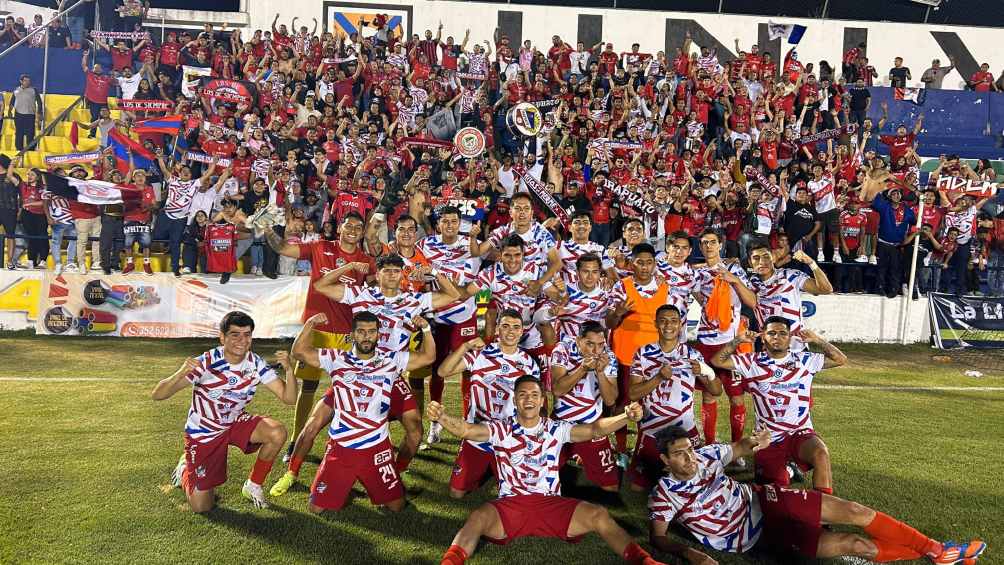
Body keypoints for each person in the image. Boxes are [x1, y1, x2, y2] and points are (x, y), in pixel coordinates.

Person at [266, 253, 460, 496]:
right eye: (385, 270)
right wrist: (347, 267)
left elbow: (454, 295)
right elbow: (321, 285)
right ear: (377, 275)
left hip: (391, 373)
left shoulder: (413, 300)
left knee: (415, 430)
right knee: (315, 422)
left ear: (402, 275)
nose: (390, 275)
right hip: (354, 372)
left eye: (395, 271)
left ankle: (395, 475)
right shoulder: (362, 294)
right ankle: (291, 473)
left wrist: (433, 273)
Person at [648, 425, 986, 564]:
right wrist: (691, 554)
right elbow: (658, 538)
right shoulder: (664, 496)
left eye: (690, 450)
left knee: (853, 510)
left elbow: (738, 448)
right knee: (858, 546)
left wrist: (755, 442)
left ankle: (938, 549)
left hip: (764, 500)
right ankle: (938, 555)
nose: (690, 457)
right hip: (753, 538)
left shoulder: (705, 455)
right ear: (665, 460)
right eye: (679, 454)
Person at [431, 377, 666, 565]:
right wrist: (442, 416)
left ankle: (644, 561)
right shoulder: (500, 429)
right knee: (478, 517)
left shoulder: (556, 429)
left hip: (551, 503)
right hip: (511, 504)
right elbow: (466, 430)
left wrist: (625, 416)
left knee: (599, 515)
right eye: (522, 395)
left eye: (534, 395)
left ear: (543, 400)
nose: (529, 399)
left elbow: (594, 429)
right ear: (514, 400)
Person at [289, 311, 435, 513]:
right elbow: (299, 352)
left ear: (378, 335)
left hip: (377, 447)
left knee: (396, 507)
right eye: (361, 332)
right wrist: (310, 324)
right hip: (341, 448)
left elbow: (429, 357)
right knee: (316, 508)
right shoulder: (336, 358)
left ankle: (385, 476)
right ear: (353, 334)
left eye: (371, 332)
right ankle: (341, 484)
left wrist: (426, 329)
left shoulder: (391, 360)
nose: (366, 336)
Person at [152, 311, 298, 512]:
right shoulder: (206, 362)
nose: (242, 340)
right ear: (222, 337)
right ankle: (186, 467)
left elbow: (289, 398)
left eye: (247, 334)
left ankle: (253, 486)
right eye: (235, 334)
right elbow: (158, 394)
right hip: (204, 432)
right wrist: (180, 373)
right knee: (202, 506)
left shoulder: (255, 363)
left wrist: (289, 370)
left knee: (277, 432)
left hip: (233, 421)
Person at [262, 212, 376, 460]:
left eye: (358, 227)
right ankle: (296, 439)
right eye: (349, 225)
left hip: (347, 334)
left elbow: (375, 294)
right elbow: (283, 248)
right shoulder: (319, 247)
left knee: (346, 391)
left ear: (362, 232)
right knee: (309, 388)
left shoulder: (366, 260)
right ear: (340, 229)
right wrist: (267, 229)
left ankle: (345, 441)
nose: (353, 230)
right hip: (315, 331)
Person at [711, 317, 846, 494]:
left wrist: (817, 340)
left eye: (783, 333)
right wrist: (738, 340)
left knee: (820, 453)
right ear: (763, 337)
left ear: (790, 337)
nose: (777, 337)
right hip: (768, 438)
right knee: (775, 488)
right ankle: (789, 470)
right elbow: (717, 361)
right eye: (772, 333)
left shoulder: (804, 360)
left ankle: (823, 512)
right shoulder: (751, 362)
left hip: (800, 431)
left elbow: (840, 359)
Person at [437, 309, 540, 499]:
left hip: (508, 435)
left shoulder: (529, 364)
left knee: (518, 495)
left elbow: (533, 403)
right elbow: (443, 372)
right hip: (477, 431)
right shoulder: (481, 354)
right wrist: (465, 346)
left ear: (521, 331)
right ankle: (487, 469)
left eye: (516, 327)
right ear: (498, 328)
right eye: (506, 326)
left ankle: (498, 467)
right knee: (456, 493)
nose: (511, 331)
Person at [626, 305, 720, 491]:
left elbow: (716, 392)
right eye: (663, 320)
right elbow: (633, 394)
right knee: (638, 488)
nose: (668, 325)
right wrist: (658, 378)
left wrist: (708, 373)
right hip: (653, 431)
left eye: (674, 321)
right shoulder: (643, 353)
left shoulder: (692, 355)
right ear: (656, 324)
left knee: (693, 485)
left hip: (685, 432)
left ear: (680, 325)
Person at [416, 206, 481, 447]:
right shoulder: (425, 245)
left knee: (469, 370)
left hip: (465, 317)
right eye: (446, 221)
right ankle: (434, 423)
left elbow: (465, 290)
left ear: (460, 223)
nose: (450, 225)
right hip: (438, 318)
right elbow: (415, 272)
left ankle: (468, 421)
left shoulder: (471, 246)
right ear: (439, 224)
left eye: (455, 221)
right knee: (437, 372)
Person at [690, 229, 757, 449]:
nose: (707, 246)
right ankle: (709, 446)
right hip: (705, 343)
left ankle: (736, 448)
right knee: (709, 396)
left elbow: (752, 301)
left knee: (736, 398)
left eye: (712, 242)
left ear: (721, 244)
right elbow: (699, 297)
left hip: (731, 343)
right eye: (703, 243)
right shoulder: (698, 273)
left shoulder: (734, 268)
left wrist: (735, 280)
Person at [550, 321, 620, 492]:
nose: (595, 351)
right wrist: (582, 369)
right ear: (578, 340)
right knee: (540, 476)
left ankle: (582, 455)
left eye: (600, 345)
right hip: (561, 422)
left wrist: (601, 372)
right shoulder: (562, 350)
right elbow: (558, 390)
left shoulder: (608, 357)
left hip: (592, 424)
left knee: (611, 486)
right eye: (590, 344)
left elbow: (610, 400)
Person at [747, 240, 833, 340]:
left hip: (795, 345)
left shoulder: (790, 276)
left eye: (766, 257)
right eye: (756, 258)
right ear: (750, 262)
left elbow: (826, 289)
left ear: (773, 258)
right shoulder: (749, 283)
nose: (762, 262)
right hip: (767, 346)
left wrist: (811, 263)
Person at [8, 75, 42, 151]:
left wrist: (39, 114)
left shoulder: (34, 90)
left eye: (29, 81)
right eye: (26, 81)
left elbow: (39, 102)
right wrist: (9, 111)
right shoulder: (16, 90)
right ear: (21, 81)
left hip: (30, 115)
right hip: (18, 115)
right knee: (19, 134)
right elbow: (12, 102)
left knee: (30, 134)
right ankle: (19, 150)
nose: (28, 82)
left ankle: (30, 150)